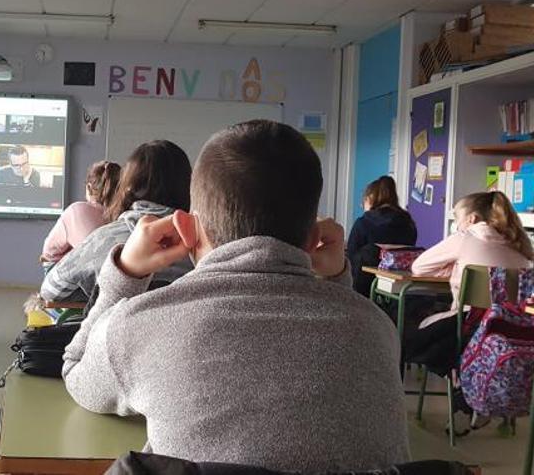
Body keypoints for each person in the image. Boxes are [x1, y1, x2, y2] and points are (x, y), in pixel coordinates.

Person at [62, 121, 409, 472]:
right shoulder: (379, 328)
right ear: (314, 239)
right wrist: (336, 282)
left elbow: (77, 374)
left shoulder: (141, 324)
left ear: (186, 228)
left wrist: (125, 275)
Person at [40, 140, 193, 302]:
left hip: (114, 325)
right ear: (189, 186)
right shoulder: (204, 245)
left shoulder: (101, 239)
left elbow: (50, 291)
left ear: (128, 186)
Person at [407, 191, 534, 375]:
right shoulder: (520, 247)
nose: (457, 225)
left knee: (419, 325)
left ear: (472, 219)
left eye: (457, 219)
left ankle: (457, 382)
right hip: (512, 332)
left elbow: (419, 267)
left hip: (468, 328)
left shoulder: (464, 237)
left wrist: (455, 269)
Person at [347, 176, 418, 295]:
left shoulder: (364, 222)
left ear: (370, 199)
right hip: (400, 287)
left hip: (364, 287)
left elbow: (351, 254)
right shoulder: (408, 222)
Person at [41, 161, 122, 265]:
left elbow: (49, 253)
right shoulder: (129, 215)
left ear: (89, 187)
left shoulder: (76, 211)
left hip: (81, 275)